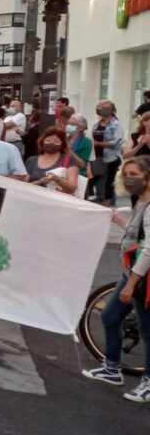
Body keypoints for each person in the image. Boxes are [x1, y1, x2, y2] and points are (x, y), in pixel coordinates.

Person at [82, 156, 150, 403]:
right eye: (126, 173)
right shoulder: (140, 200)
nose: (129, 178)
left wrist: (131, 284)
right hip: (132, 272)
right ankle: (112, 369)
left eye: (135, 174)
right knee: (110, 317)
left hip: (143, 278)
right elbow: (137, 236)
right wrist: (121, 222)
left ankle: (148, 383)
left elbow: (149, 249)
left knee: (147, 330)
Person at [25, 127, 79, 195]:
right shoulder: (31, 160)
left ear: (62, 144)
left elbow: (73, 187)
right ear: (42, 142)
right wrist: (39, 182)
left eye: (56, 141)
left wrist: (57, 179)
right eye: (48, 140)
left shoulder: (69, 160)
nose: (51, 143)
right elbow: (23, 185)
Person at [92, 100, 124, 206]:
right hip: (98, 155)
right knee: (99, 177)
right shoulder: (97, 124)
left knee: (109, 179)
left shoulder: (116, 124)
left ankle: (109, 199)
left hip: (112, 156)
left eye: (105, 107)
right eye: (100, 107)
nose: (101, 109)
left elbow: (116, 142)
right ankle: (100, 196)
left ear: (112, 110)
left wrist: (99, 144)